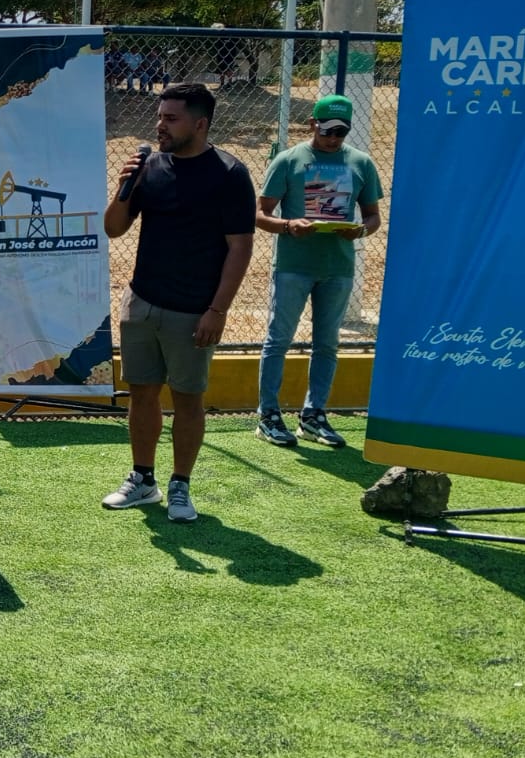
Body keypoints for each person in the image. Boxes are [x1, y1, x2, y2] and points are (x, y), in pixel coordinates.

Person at [101, 82, 256, 523]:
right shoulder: (149, 166)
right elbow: (113, 228)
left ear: (200, 123)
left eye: (171, 118)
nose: (160, 125)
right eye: (160, 116)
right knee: (142, 394)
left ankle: (181, 486)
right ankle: (143, 480)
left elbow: (240, 248)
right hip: (142, 301)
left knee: (188, 399)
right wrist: (125, 185)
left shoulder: (229, 173)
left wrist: (217, 310)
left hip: (194, 311)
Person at [254, 95, 383, 449]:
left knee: (327, 343)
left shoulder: (361, 163)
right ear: (312, 123)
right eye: (327, 130)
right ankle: (268, 416)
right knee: (278, 340)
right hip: (293, 266)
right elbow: (260, 214)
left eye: (341, 132)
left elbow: (373, 216)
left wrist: (361, 230)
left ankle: (313, 416)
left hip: (338, 267)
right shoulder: (288, 160)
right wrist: (288, 225)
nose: (333, 138)